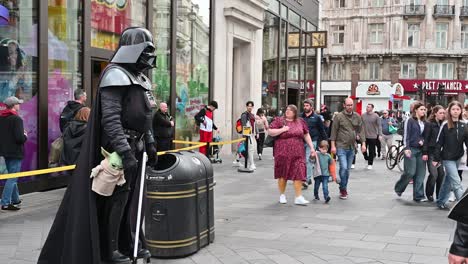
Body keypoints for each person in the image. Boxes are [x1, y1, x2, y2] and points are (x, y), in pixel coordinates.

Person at [39, 27, 158, 264]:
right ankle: (110, 248)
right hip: (117, 149)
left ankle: (128, 242)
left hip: (138, 145)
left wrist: (151, 142)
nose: (148, 55)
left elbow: (145, 116)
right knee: (115, 198)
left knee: (132, 198)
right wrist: (124, 150)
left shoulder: (140, 78)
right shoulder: (115, 74)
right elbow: (111, 118)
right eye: (144, 49)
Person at [268, 104, 316, 205]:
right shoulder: (279, 120)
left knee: (299, 172)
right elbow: (270, 131)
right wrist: (282, 130)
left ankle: (298, 196)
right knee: (283, 173)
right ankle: (282, 195)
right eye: (286, 110)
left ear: (294, 112)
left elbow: (306, 134)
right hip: (282, 152)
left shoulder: (300, 121)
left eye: (290, 110)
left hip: (298, 152)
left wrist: (312, 147)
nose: (287, 111)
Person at [433, 101, 468, 210]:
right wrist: (436, 158)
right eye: (453, 109)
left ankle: (440, 201)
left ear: (461, 111)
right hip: (447, 158)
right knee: (456, 182)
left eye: (458, 109)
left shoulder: (464, 125)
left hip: (458, 157)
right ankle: (464, 209)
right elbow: (439, 142)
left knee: (448, 180)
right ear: (450, 111)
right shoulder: (445, 124)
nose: (456, 111)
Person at [330, 98, 366, 200]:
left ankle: (343, 187)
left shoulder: (357, 116)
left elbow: (361, 130)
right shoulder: (338, 117)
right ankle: (343, 189)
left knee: (347, 170)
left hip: (352, 147)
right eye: (348, 105)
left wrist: (363, 144)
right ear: (344, 105)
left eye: (351, 105)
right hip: (341, 146)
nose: (350, 107)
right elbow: (333, 132)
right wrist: (333, 146)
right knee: (344, 167)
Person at [394, 102, 428, 202]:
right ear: (416, 110)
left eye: (424, 110)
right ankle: (399, 188)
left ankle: (419, 195)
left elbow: (426, 135)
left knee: (421, 173)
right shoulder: (410, 120)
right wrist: (406, 148)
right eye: (421, 109)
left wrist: (423, 141)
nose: (423, 111)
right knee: (410, 172)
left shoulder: (424, 122)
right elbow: (406, 135)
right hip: (411, 149)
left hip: (421, 150)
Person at [0, 96, 27, 211]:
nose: (19, 105)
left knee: (12, 175)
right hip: (15, 152)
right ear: (14, 105)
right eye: (18, 103)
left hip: (5, 152)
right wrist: (25, 135)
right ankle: (5, 202)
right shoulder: (17, 119)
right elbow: (19, 139)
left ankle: (15, 199)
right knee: (13, 177)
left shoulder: (1, 118)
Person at [301, 99, 327, 188]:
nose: (305, 107)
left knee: (308, 160)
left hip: (312, 141)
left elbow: (322, 130)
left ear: (311, 107)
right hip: (301, 141)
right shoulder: (300, 117)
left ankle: (307, 179)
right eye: (304, 106)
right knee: (301, 161)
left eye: (307, 106)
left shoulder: (317, 118)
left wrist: (325, 142)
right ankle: (303, 177)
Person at [423, 105, 445, 202]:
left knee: (441, 174)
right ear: (435, 113)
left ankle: (439, 194)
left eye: (444, 113)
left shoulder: (443, 124)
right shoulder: (429, 124)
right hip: (431, 152)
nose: (442, 115)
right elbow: (426, 139)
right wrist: (425, 152)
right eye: (440, 113)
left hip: (440, 153)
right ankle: (429, 194)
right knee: (433, 174)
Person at [361, 104, 382, 170]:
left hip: (373, 136)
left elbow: (379, 126)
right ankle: (366, 157)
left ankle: (370, 164)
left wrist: (380, 134)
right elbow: (360, 125)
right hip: (364, 135)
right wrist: (358, 134)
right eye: (366, 107)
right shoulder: (363, 115)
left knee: (371, 150)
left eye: (368, 107)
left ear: (372, 108)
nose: (367, 108)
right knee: (363, 150)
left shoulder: (376, 116)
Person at [240, 101, 257, 171]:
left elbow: (254, 124)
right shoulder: (244, 115)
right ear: (246, 106)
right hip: (248, 134)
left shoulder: (252, 115)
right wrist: (246, 135)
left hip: (252, 134)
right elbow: (244, 125)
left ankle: (237, 159)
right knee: (250, 149)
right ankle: (251, 164)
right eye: (248, 106)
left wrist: (256, 133)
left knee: (251, 149)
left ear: (253, 107)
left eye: (251, 106)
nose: (250, 107)